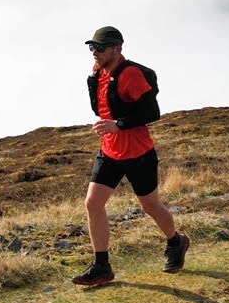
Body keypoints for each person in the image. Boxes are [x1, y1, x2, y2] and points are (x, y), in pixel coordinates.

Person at [71, 26, 189, 287]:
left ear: (117, 49)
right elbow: (102, 109)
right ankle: (101, 266)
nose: (95, 53)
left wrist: (118, 125)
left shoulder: (131, 75)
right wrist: (109, 127)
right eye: (92, 48)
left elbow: (151, 112)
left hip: (139, 153)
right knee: (93, 204)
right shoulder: (97, 74)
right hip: (110, 151)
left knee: (150, 206)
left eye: (100, 48)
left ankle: (176, 241)